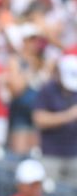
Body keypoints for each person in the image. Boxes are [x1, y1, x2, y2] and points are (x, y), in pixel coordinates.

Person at [32, 54, 77, 182]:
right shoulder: (48, 90)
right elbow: (39, 119)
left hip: (74, 154)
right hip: (51, 154)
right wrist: (68, 115)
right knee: (50, 193)